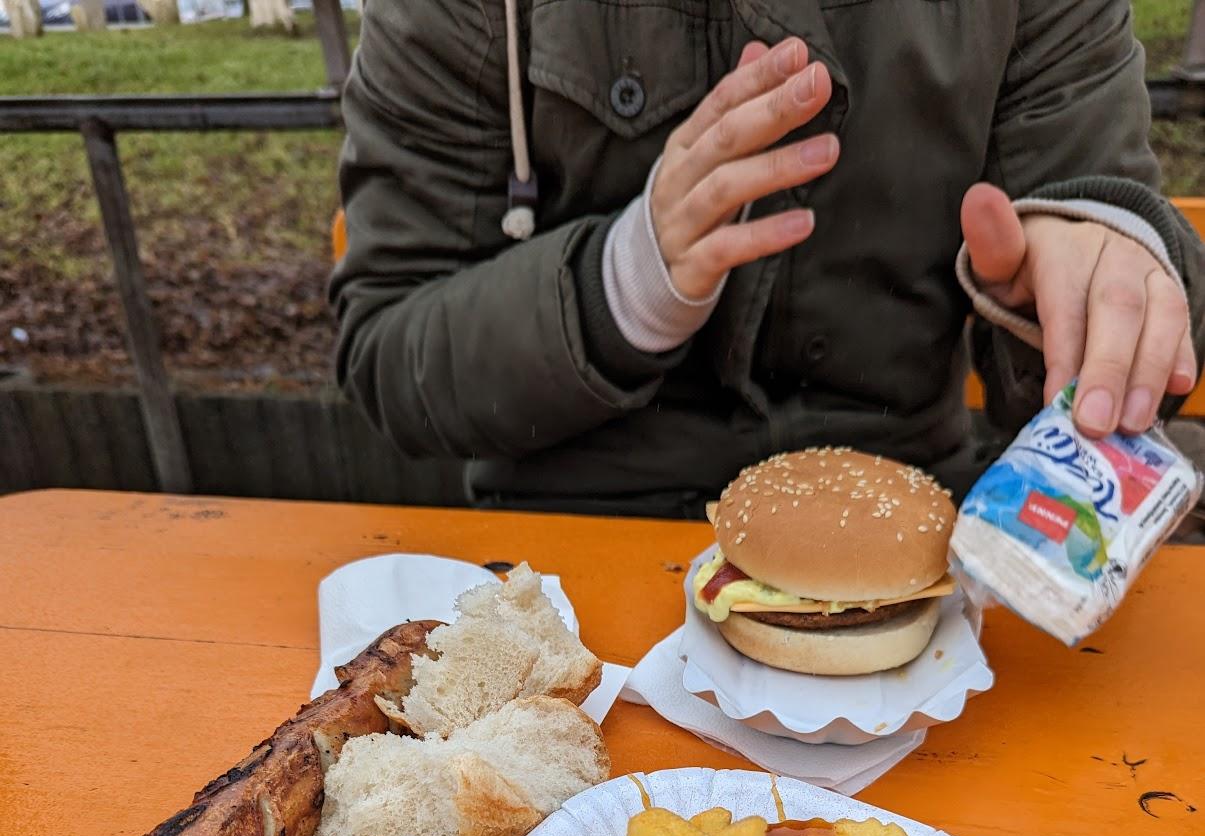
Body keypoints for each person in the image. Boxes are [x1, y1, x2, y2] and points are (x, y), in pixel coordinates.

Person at [330, 0, 1205, 517]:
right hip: (568, 543)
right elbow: (389, 349)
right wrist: (622, 287)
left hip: (926, 524)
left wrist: (1090, 285)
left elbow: (1131, 335)